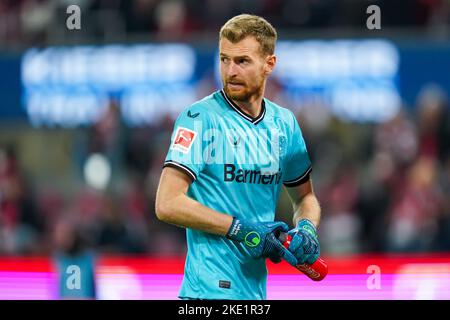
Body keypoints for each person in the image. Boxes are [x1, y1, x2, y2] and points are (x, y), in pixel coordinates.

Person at [155, 14, 321, 300]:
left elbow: (305, 198)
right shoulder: (198, 119)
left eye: (242, 61)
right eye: (224, 59)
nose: (230, 71)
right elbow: (167, 203)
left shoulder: (285, 124)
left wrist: (307, 228)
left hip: (254, 294)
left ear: (269, 64)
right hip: (204, 295)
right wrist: (239, 228)